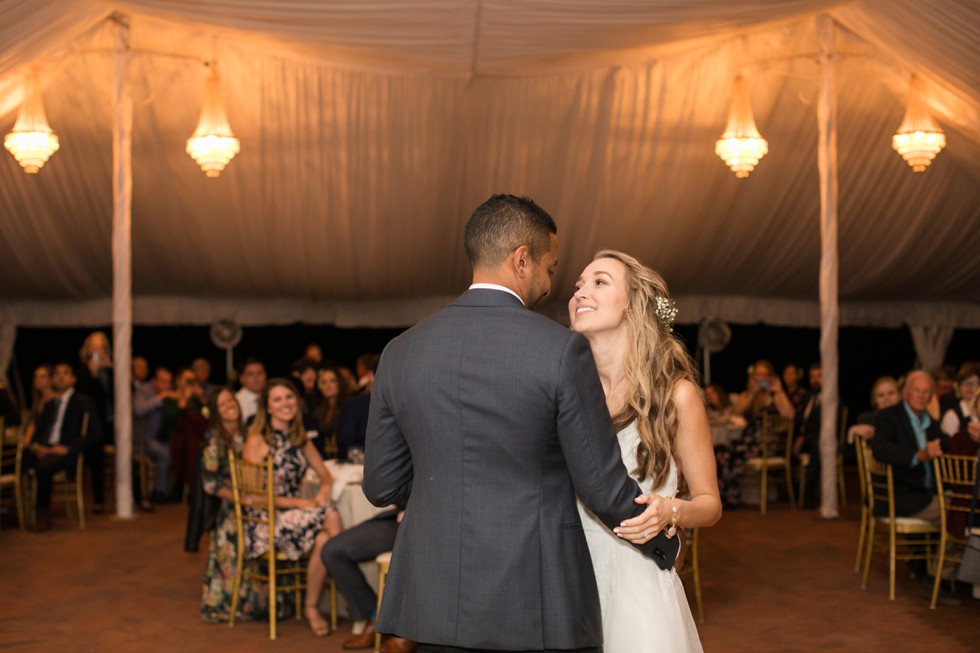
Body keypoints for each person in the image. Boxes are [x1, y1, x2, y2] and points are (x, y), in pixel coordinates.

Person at [363, 194, 679, 653]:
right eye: (550, 269)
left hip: (431, 599)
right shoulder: (559, 350)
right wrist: (662, 545)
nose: (550, 285)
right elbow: (601, 486)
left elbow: (381, 485)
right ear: (522, 260)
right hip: (534, 596)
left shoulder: (400, 351)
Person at [568, 250, 722, 652]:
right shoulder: (566, 397)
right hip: (570, 579)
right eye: (578, 285)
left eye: (599, 281)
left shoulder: (677, 395)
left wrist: (670, 511)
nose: (581, 292)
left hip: (637, 584)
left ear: (634, 303)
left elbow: (710, 504)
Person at [242, 378, 343, 637]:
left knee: (323, 540)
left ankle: (311, 607)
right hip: (265, 521)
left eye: (288, 397)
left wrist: (322, 491)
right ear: (268, 407)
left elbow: (326, 476)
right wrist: (300, 502)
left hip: (293, 516)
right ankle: (349, 585)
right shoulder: (257, 440)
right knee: (331, 515)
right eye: (277, 399)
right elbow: (252, 498)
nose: (285, 403)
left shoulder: (299, 438)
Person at [199, 387, 264, 622]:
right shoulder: (215, 439)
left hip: (251, 503)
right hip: (231, 508)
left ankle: (248, 605)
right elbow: (209, 483)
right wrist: (238, 498)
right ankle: (225, 605)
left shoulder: (246, 433)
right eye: (223, 403)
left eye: (231, 401)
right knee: (230, 556)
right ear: (216, 411)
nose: (230, 405)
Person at [22, 362, 102, 532]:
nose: (60, 376)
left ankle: (41, 515)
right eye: (57, 373)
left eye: (65, 373)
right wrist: (36, 446)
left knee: (42, 467)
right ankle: (15, 510)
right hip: (45, 449)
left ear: (73, 379)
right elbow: (38, 433)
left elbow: (96, 433)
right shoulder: (50, 404)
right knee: (19, 459)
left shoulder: (82, 401)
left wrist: (68, 448)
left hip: (64, 452)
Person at [320, 509, 404, 651]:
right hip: (398, 519)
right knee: (333, 551)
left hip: (431, 525)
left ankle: (408, 628)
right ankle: (375, 615)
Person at [716, 359, 795, 507]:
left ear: (771, 377)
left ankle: (730, 498)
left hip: (766, 444)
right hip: (749, 442)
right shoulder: (749, 394)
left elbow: (789, 415)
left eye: (765, 375)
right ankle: (724, 497)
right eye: (758, 374)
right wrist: (752, 394)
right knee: (720, 451)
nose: (761, 378)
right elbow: (736, 412)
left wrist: (779, 390)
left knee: (729, 454)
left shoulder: (775, 394)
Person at [76, 331, 113, 514]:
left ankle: (137, 497)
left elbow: (117, 394)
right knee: (96, 460)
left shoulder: (110, 368)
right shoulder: (83, 369)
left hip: (111, 420)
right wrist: (94, 374)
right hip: (94, 422)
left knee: (126, 454)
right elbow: (86, 395)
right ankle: (98, 501)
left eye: (100, 346)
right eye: (94, 346)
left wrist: (110, 370)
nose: (97, 349)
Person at [847, 376, 900, 443]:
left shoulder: (908, 417)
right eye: (881, 395)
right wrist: (852, 432)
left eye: (891, 393)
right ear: (875, 400)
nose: (886, 399)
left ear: (900, 395)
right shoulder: (866, 419)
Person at [312, 366, 349, 458]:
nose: (328, 386)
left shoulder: (350, 408)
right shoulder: (317, 412)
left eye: (333, 381)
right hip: (325, 461)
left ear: (340, 383)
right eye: (323, 382)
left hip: (346, 460)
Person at [940, 364, 979, 437]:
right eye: (964, 383)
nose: (969, 387)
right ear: (958, 387)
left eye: (973, 383)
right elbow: (949, 446)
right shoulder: (951, 416)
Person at [235, 359, 267, 423]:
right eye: (250, 374)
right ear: (242, 378)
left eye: (259, 373)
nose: (256, 378)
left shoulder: (271, 396)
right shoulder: (237, 401)